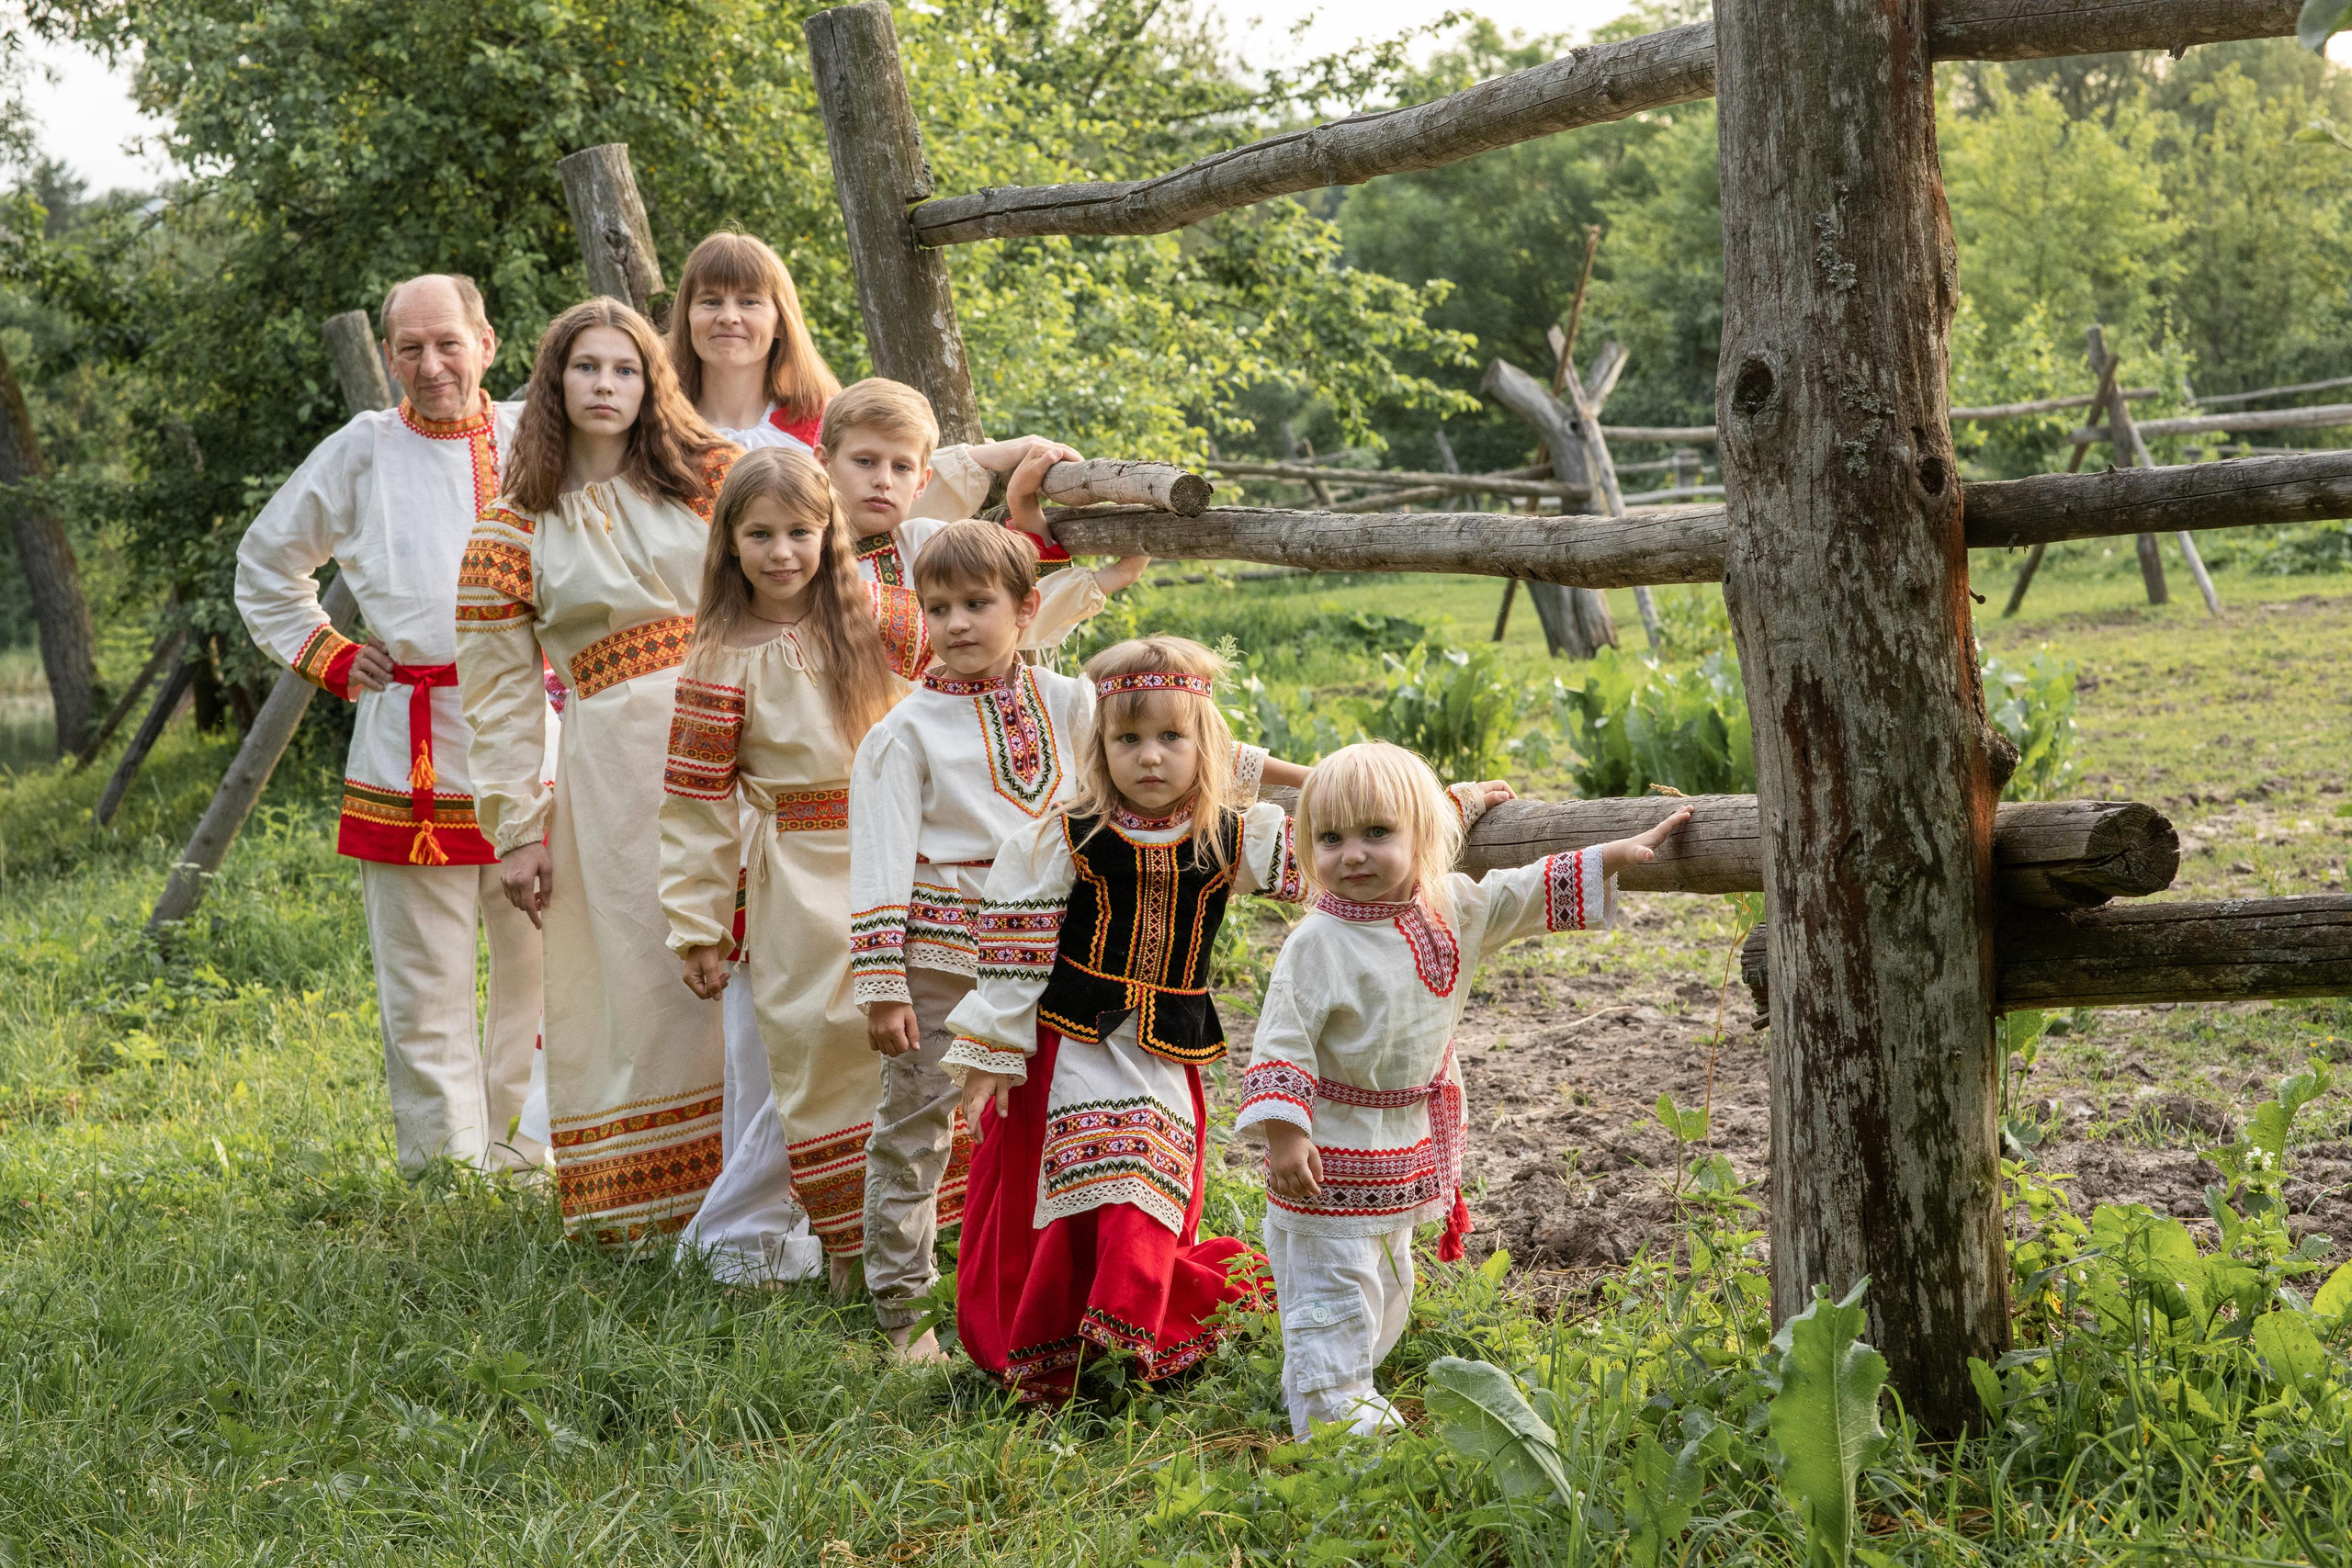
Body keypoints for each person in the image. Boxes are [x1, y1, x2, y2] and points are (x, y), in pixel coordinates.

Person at [1238, 742, 1690, 1438]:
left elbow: (1521, 891)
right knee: (1335, 1287)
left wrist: (1612, 855)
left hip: (1399, 1149)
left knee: (1388, 1284)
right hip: (1329, 1149)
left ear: (1421, 836)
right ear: (1308, 846)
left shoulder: (1447, 907)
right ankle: (1332, 1419)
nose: (1352, 854)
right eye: (1330, 838)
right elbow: (1282, 1039)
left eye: (1376, 834)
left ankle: (1334, 1381)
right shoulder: (1318, 942)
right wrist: (1286, 1132)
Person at [235, 272, 546, 1176]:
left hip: (534, 735)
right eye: (410, 348)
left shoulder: (538, 436)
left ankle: (525, 1158)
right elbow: (264, 565)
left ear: (487, 343)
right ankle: (445, 1170)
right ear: (387, 357)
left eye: (448, 342)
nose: (432, 363)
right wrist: (330, 653)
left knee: (541, 969)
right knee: (424, 974)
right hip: (410, 739)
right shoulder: (362, 450)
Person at [845, 515, 1174, 1359]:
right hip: (941, 967)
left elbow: (1172, 755)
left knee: (1048, 1123)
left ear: (1027, 608)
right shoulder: (903, 733)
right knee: (917, 1126)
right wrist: (882, 985)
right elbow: (878, 861)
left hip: (1058, 959)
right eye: (939, 605)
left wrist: (1314, 784)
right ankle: (902, 1319)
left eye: (977, 603)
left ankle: (1043, 1296)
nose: (956, 623)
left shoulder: (1070, 704)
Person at [943, 636, 1304, 1403]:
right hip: (1068, 1049)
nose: (1150, 757)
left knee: (1144, 1182)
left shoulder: (1231, 839)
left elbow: (1354, 844)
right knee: (1088, 1191)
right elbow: (1013, 954)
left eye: (1171, 737)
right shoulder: (1064, 839)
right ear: (1100, 746)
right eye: (1128, 738)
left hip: (1165, 1053)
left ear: (1205, 744)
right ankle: (1070, 1349)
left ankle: (1125, 1339)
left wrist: (1449, 805)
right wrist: (991, 1052)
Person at [454, 296, 739, 1245]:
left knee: (760, 946)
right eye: (587, 368)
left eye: (624, 368)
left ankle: (779, 1187)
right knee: (642, 967)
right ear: (553, 384)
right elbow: (496, 699)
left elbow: (827, 541)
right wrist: (518, 829)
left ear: (650, 381)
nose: (606, 385)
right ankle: (660, 1210)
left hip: (738, 736)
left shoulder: (711, 480)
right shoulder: (513, 528)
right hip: (613, 769)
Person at [656, 446, 944, 1292]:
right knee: (825, 1049)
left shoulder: (880, 620)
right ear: (729, 544)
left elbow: (980, 664)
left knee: (923, 1041)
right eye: (761, 534)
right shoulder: (716, 658)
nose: (783, 552)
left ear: (830, 535)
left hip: (901, 858)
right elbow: (695, 803)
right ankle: (854, 1255)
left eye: (801, 532)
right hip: (798, 876)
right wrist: (698, 923)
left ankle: (925, 1240)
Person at [814, 378, 1101, 643]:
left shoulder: (927, 542)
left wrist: (1019, 499)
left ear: (921, 483)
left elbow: (1013, 614)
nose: (883, 481)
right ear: (823, 463)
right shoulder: (792, 549)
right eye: (864, 461)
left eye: (902, 468)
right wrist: (977, 458)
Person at [666, 231, 839, 452]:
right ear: (686, 317)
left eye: (749, 302)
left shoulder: (826, 427)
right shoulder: (656, 422)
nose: (728, 317)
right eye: (711, 302)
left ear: (780, 323)